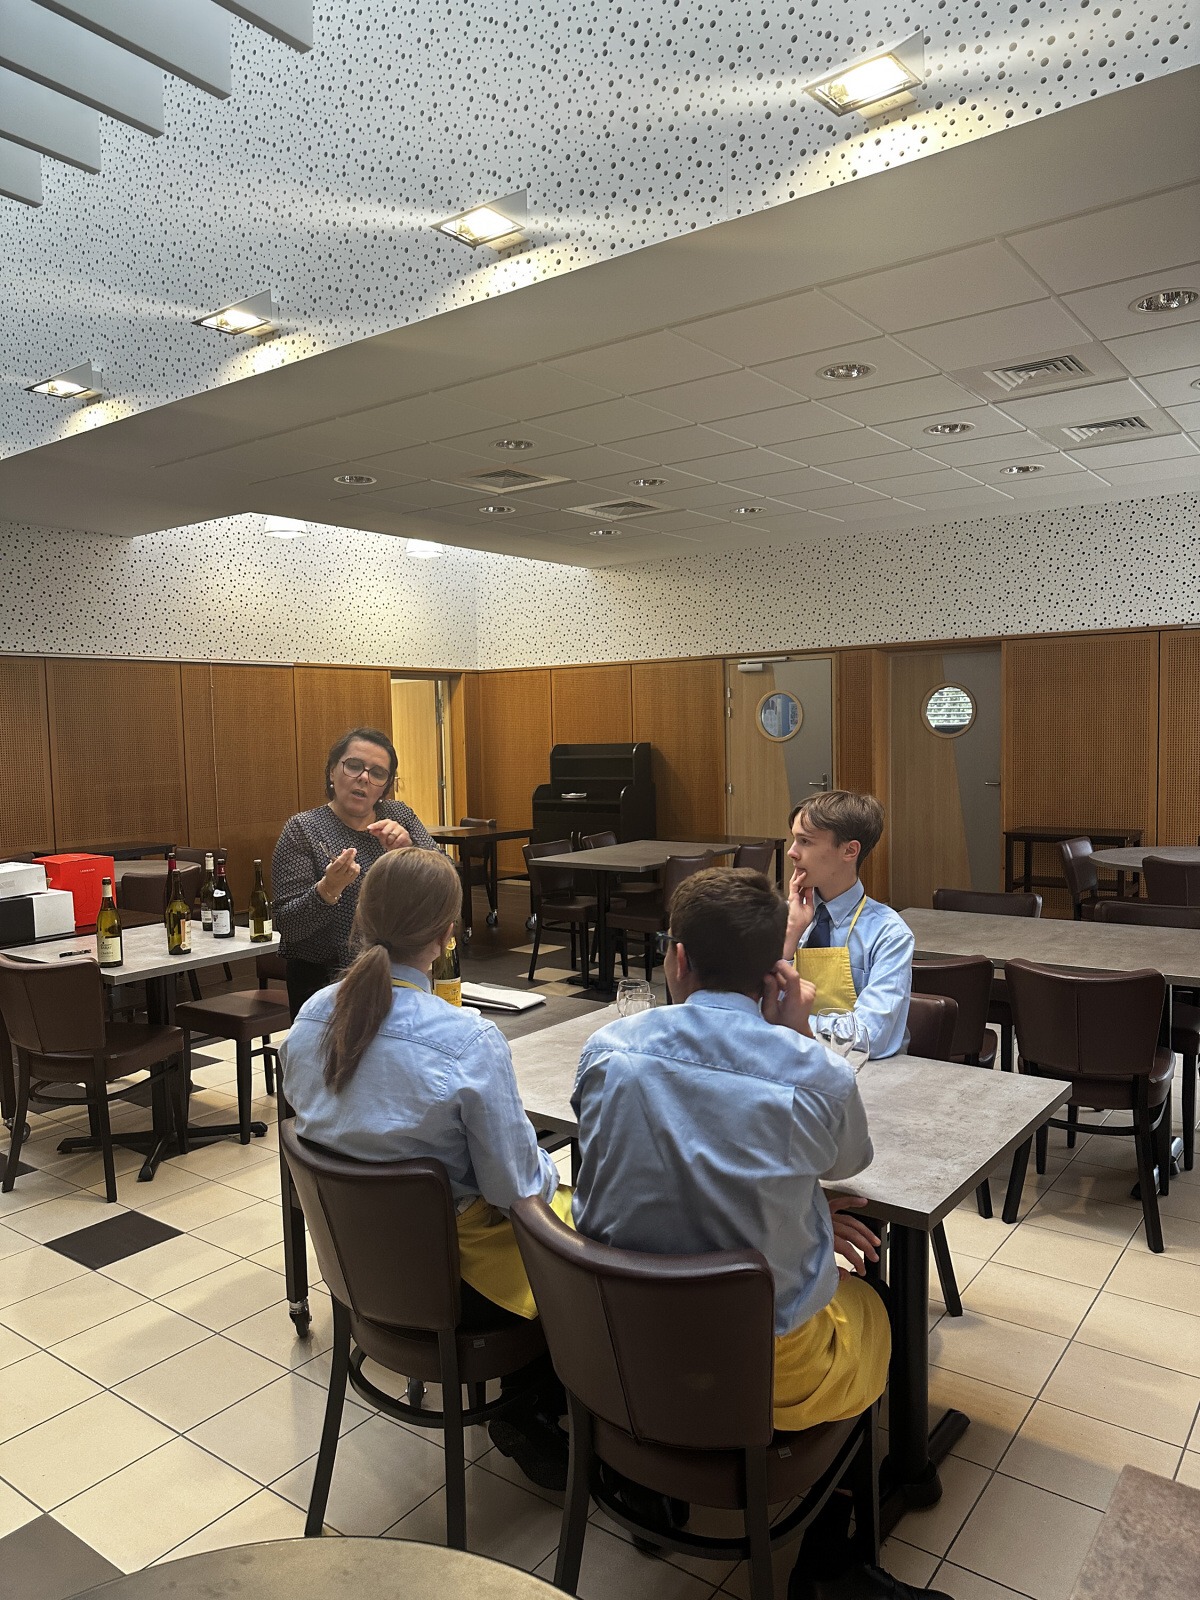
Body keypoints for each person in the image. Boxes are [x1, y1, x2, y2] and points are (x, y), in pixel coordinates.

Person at [572, 868, 947, 1600]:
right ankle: (833, 1550)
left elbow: (649, 1163)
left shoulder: (608, 1049)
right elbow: (845, 1162)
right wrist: (799, 1037)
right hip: (760, 1366)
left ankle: (649, 1484)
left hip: (619, 1342)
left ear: (678, 958)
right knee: (876, 1307)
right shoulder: (811, 1073)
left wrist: (796, 1207)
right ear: (777, 973)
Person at [279, 847, 574, 1489]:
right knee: (578, 1232)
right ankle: (532, 1407)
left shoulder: (311, 1015)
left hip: (359, 1271)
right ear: (447, 935)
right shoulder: (468, 1041)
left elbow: (306, 1109)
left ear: (361, 918)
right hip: (456, 1288)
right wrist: (551, 1171)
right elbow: (514, 1189)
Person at [273, 726, 441, 1017]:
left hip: (397, 973)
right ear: (332, 771)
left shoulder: (399, 816)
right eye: (353, 766)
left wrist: (410, 851)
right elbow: (288, 925)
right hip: (322, 982)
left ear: (385, 786)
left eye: (377, 773)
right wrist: (328, 890)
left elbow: (446, 884)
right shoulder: (303, 829)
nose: (364, 778)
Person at [783, 791, 914, 1060]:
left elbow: (869, 1035)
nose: (791, 852)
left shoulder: (888, 934)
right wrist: (788, 940)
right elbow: (749, 1010)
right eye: (794, 839)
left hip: (861, 1073)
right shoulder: (785, 919)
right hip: (788, 1064)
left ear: (849, 851)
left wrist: (788, 1023)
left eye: (805, 841)